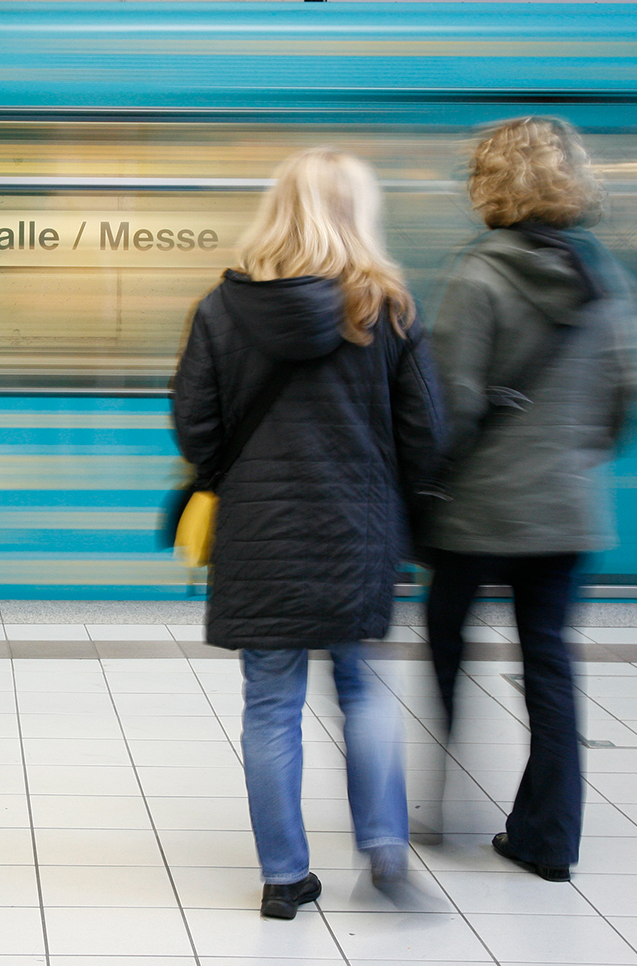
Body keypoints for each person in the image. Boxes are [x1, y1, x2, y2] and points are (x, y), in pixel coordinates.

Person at [172, 147, 444, 919]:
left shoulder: (220, 310)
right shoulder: (389, 307)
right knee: (363, 688)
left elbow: (195, 431)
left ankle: (285, 876)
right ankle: (385, 849)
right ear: (359, 213)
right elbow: (427, 434)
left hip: (259, 534)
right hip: (359, 531)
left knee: (270, 703)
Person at [419, 116, 637, 881]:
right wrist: (580, 454)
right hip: (564, 514)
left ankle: (438, 808)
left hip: (472, 513)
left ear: (489, 183)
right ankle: (548, 838)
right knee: (550, 668)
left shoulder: (479, 274)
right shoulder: (604, 277)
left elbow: (448, 405)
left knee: (446, 653)